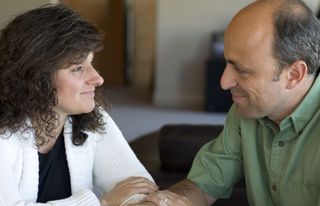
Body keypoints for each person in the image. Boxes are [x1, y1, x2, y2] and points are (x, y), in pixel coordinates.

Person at [145, 0, 320, 205]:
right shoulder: (247, 111)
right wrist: (170, 202)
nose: (224, 82)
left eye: (243, 70)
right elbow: (202, 185)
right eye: (227, 62)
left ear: (294, 75)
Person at [0, 4, 158, 206]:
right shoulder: (4, 136)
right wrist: (103, 203)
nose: (98, 79)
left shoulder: (89, 118)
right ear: (36, 77)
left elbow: (143, 189)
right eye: (77, 68)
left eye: (91, 63)